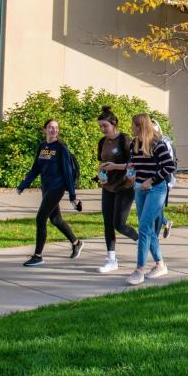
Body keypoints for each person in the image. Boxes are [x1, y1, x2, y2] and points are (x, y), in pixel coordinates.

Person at [16, 119, 83, 267]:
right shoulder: (42, 146)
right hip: (46, 187)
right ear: (45, 129)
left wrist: (72, 195)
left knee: (41, 219)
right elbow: (36, 168)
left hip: (57, 187)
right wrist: (24, 184)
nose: (54, 130)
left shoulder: (61, 148)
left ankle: (38, 256)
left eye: (56, 128)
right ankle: (76, 242)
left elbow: (67, 172)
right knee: (56, 219)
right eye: (51, 127)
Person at [126, 113, 175, 285]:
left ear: (141, 126)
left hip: (156, 189)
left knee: (144, 227)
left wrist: (151, 179)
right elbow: (133, 163)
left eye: (133, 125)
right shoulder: (134, 143)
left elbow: (170, 166)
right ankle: (160, 264)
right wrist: (131, 172)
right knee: (147, 228)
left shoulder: (157, 144)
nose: (131, 128)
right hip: (139, 188)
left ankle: (139, 270)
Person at [95, 108, 137, 274]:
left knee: (119, 224)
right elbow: (102, 163)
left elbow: (133, 164)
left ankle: (141, 240)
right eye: (100, 127)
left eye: (105, 126)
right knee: (107, 223)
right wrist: (101, 174)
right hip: (108, 187)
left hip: (125, 186)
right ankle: (111, 259)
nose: (103, 129)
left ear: (114, 124)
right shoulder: (102, 142)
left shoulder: (125, 140)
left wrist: (114, 167)